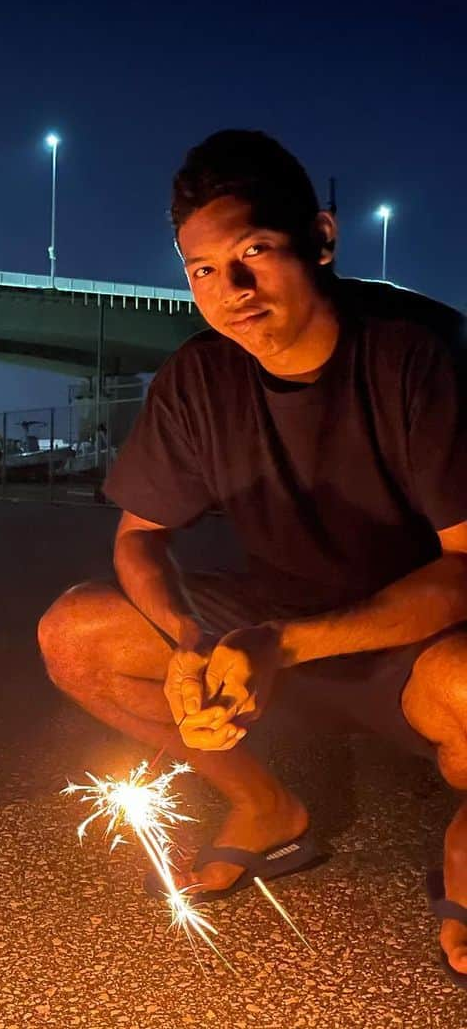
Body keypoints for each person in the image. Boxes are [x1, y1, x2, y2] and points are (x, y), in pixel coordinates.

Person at [38, 129, 467, 981]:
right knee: (77, 633)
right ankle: (264, 804)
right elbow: (139, 538)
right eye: (200, 270)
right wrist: (190, 642)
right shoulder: (199, 379)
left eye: (254, 253)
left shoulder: (415, 354)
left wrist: (284, 647)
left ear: (323, 238)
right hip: (269, 630)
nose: (229, 291)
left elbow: (463, 566)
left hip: (414, 640)